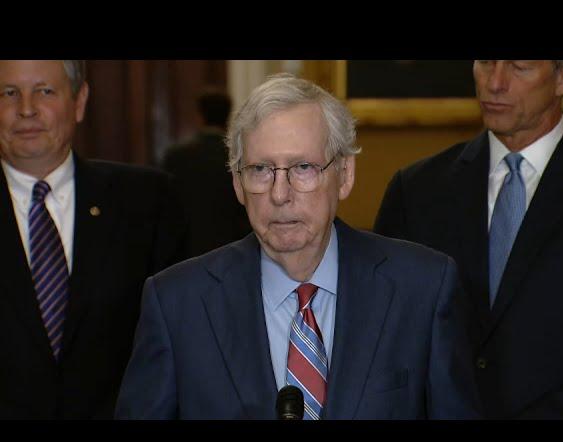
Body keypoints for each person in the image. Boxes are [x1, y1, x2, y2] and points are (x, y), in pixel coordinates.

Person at [115, 73, 481, 420]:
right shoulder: (177, 304)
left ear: (345, 175)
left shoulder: (422, 289)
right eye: (260, 170)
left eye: (303, 167)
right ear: (238, 184)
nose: (280, 194)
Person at [375, 60, 563, 419]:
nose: (494, 83)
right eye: (485, 62)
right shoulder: (416, 191)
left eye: (519, 67)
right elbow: (384, 348)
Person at [0, 60, 188, 419]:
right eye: (9, 93)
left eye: (45, 91)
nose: (26, 109)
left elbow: (180, 346)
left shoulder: (149, 202)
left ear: (80, 100)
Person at [163, 87, 251, 256]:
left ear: (199, 116)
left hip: (186, 252)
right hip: (233, 250)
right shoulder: (240, 155)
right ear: (228, 115)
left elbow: (169, 210)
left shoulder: (177, 157)